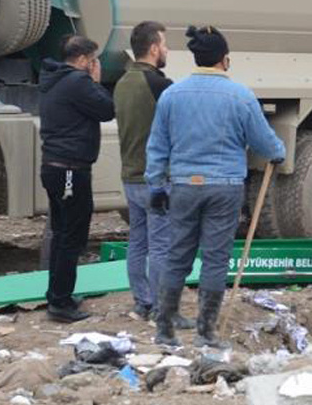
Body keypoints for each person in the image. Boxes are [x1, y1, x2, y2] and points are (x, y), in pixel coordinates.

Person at [146, 26, 286, 347]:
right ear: (225, 60)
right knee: (215, 259)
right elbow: (266, 143)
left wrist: (156, 186)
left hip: (183, 186)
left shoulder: (172, 95)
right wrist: (279, 151)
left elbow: (157, 145)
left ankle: (165, 331)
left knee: (177, 255)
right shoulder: (241, 96)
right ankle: (206, 333)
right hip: (224, 188)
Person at [39, 35, 116, 323]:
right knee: (72, 237)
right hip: (71, 169)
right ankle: (60, 303)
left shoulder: (54, 80)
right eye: (94, 61)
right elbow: (107, 110)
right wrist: (95, 81)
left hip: (54, 166)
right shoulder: (78, 82)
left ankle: (58, 294)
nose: (97, 66)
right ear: (83, 60)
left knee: (61, 233)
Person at [114, 21, 178, 323]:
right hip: (155, 179)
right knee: (162, 245)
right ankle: (162, 309)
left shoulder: (123, 82)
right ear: (153, 48)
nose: (166, 50)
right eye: (164, 44)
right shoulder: (159, 85)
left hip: (130, 175)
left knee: (138, 242)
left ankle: (142, 303)